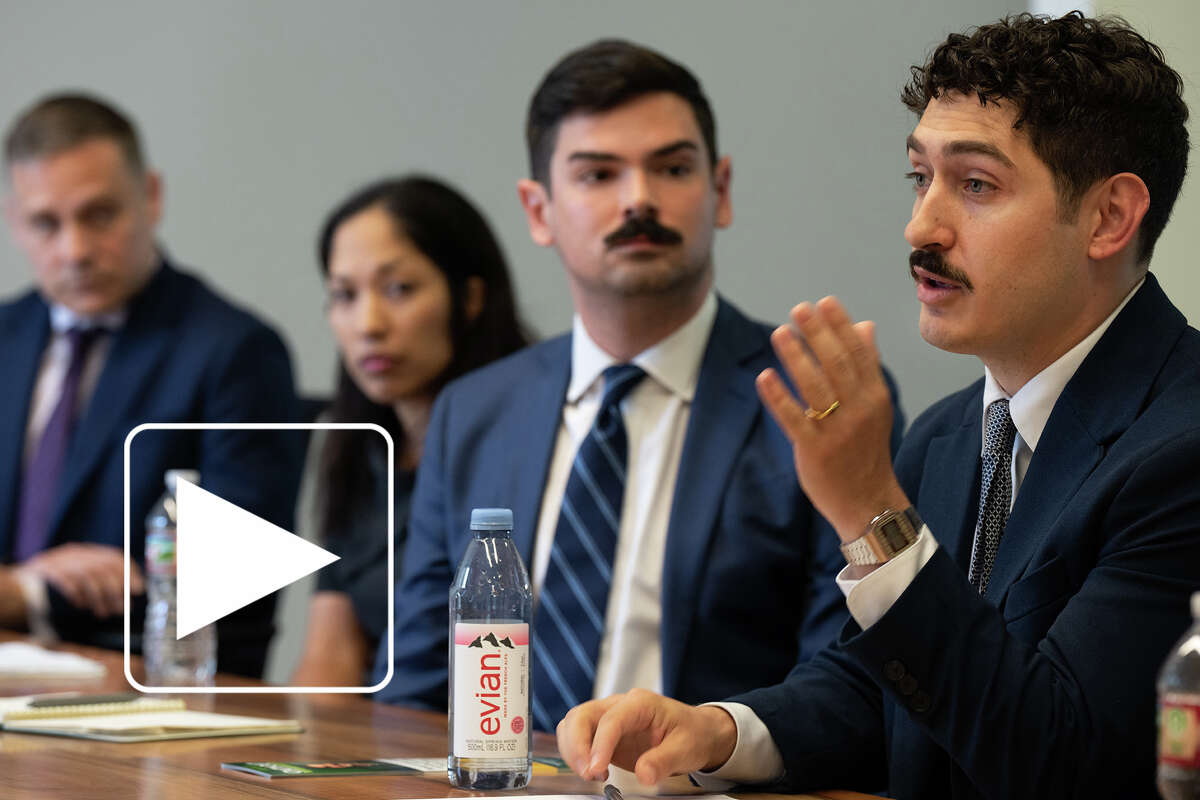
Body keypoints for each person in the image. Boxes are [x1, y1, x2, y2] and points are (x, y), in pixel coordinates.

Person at [556, 12, 1197, 799]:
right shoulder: (948, 434)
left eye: (975, 185)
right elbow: (889, 691)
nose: (920, 226)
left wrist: (869, 510)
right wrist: (722, 733)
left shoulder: (1183, 447)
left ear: (1108, 217)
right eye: (920, 177)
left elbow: (1061, 758)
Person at [373, 39, 903, 731]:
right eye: (598, 175)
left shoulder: (814, 399)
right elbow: (413, 685)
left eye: (673, 168)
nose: (640, 200)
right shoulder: (473, 412)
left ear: (721, 191)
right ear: (539, 211)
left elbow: (849, 687)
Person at [0, 93, 301, 676]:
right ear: (15, 222)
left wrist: (24, 596)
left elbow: (231, 583)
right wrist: (23, 586)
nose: (76, 250)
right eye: (46, 223)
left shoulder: (234, 349)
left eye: (100, 215)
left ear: (152, 197)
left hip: (148, 691)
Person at [290, 176, 531, 685]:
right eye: (344, 295)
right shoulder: (359, 449)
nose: (368, 323)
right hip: (391, 737)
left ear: (470, 296)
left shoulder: (530, 437)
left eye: (398, 289)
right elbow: (328, 665)